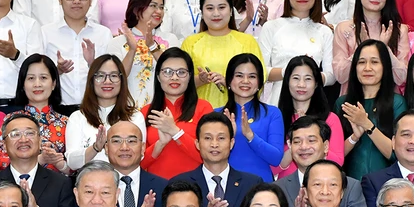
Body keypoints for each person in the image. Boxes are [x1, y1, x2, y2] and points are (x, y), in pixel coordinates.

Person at [172, 111, 264, 207]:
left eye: (221, 138)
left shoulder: (253, 184)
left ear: (231, 143)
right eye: (208, 138)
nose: (214, 144)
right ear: (197, 143)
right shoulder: (180, 184)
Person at [180, 0, 262, 107]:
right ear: (202, 12)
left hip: (238, 113)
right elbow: (180, 83)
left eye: (222, 7)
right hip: (199, 114)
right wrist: (200, 80)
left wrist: (229, 83)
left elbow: (260, 80)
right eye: (210, 8)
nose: (216, 13)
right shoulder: (190, 43)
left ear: (231, 11)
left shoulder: (247, 41)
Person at [258, 0, 334, 105]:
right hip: (277, 101)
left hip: (312, 103)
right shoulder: (271, 27)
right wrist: (289, 71)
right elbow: (261, 71)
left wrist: (310, 75)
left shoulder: (324, 31)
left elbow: (331, 76)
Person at [40, 0, 113, 110]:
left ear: (91, 0)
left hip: (96, 109)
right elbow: (38, 75)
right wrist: (57, 71)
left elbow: (112, 77)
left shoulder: (103, 34)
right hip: (57, 110)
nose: (76, 1)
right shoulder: (45, 33)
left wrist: (93, 64)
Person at [278, 116, 368, 207]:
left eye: (311, 140)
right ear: (290, 147)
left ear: (326, 146)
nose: (304, 146)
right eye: (297, 142)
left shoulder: (351, 186)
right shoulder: (278, 189)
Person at [335, 39, 405, 179]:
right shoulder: (343, 104)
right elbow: (335, 156)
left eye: (374, 62)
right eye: (361, 62)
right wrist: (354, 137)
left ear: (385, 66)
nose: (367, 68)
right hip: (350, 186)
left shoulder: (397, 102)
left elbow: (397, 154)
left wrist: (367, 124)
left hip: (388, 187)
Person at [332, 0, 411, 92]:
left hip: (388, 101)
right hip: (352, 101)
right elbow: (340, 75)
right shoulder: (343, 28)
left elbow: (402, 78)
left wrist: (384, 49)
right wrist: (361, 48)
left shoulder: (400, 30)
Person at [65, 53, 147, 170]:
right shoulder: (77, 117)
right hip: (88, 183)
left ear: (122, 80)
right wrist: (95, 148)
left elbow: (139, 155)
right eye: (100, 76)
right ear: (91, 81)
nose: (107, 81)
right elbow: (72, 163)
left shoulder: (134, 117)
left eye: (113, 76)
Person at [140, 48, 212, 178]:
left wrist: (175, 132)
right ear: (158, 76)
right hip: (156, 189)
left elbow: (208, 157)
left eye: (181, 72)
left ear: (190, 76)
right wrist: (160, 144)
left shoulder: (203, 108)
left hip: (194, 188)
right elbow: (138, 163)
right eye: (167, 72)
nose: (174, 77)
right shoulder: (146, 112)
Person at [0, 54, 70, 173]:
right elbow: (3, 162)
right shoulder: (10, 120)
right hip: (17, 187)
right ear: (23, 85)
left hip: (58, 188)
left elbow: (75, 169)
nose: (37, 84)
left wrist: (59, 163)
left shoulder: (66, 122)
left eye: (43, 78)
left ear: (54, 84)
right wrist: (40, 159)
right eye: (31, 78)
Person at [216, 53, 283, 182]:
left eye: (252, 76)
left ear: (259, 82)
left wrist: (251, 136)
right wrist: (229, 137)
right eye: (239, 76)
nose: (245, 81)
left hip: (261, 188)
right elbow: (209, 156)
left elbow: (276, 158)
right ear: (229, 80)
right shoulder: (217, 115)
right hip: (225, 186)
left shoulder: (272, 113)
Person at [109, 0, 174, 109]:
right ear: (136, 9)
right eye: (153, 6)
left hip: (163, 111)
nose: (159, 11)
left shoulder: (170, 39)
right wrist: (132, 49)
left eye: (161, 7)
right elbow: (116, 78)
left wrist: (152, 46)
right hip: (128, 111)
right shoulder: (118, 42)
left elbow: (173, 72)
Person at [278, 55, 344, 173]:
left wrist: (312, 131)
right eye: (296, 78)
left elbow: (337, 161)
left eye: (308, 79)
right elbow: (274, 167)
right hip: (287, 187)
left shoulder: (330, 119)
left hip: (320, 185)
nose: (301, 84)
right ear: (287, 81)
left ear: (316, 83)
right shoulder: (277, 118)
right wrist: (297, 140)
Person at [104, 120, 167, 207]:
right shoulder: (93, 189)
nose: (124, 147)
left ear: (143, 147)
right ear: (106, 148)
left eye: (131, 141)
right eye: (116, 141)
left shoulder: (163, 187)